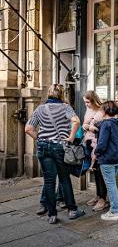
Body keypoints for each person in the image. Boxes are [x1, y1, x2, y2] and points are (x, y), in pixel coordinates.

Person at [25, 84, 85, 224]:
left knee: (49, 181)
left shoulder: (40, 108)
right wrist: (70, 137)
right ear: (61, 94)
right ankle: (72, 210)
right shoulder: (65, 107)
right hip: (59, 147)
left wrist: (39, 138)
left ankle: (52, 215)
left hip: (43, 147)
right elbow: (76, 121)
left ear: (49, 94)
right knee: (64, 179)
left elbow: (28, 128)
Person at [94, 101, 118, 221]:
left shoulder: (106, 124)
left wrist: (96, 153)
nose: (100, 112)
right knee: (112, 184)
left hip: (108, 159)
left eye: (101, 110)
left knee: (111, 185)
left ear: (105, 111)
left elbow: (102, 144)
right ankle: (117, 208)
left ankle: (114, 211)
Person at [82, 90, 108, 212]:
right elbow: (84, 124)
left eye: (87, 102)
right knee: (95, 171)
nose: (86, 104)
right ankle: (98, 195)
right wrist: (86, 126)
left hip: (98, 144)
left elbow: (105, 128)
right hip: (89, 142)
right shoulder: (89, 110)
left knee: (100, 172)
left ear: (93, 100)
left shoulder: (102, 110)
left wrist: (93, 128)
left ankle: (103, 198)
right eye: (85, 102)